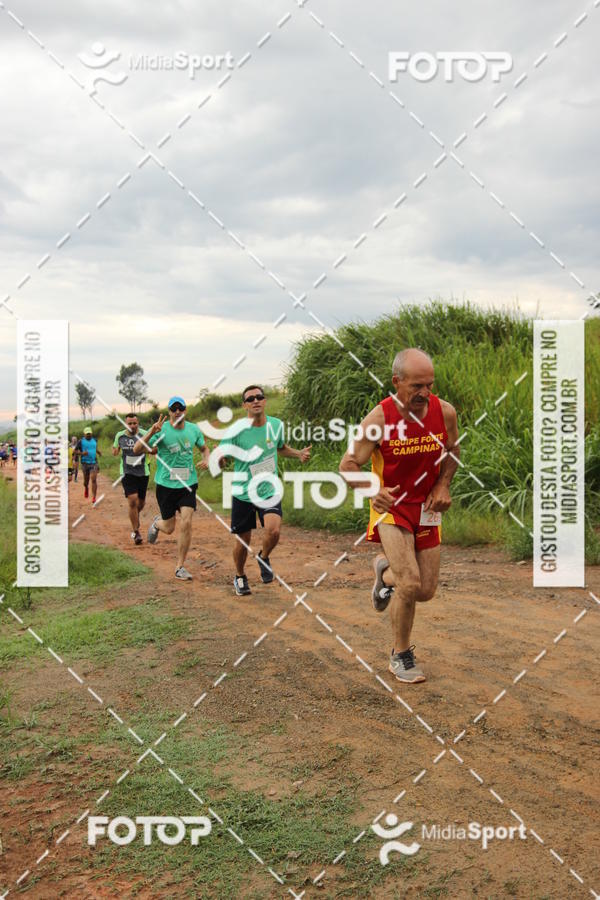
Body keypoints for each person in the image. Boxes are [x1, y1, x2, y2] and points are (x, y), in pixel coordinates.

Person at [340, 348, 459, 684]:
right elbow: (347, 466)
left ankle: (383, 572)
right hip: (391, 506)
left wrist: (443, 485)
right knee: (409, 582)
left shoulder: (444, 412)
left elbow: (453, 451)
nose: (425, 393)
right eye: (417, 386)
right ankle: (400, 655)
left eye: (429, 385)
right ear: (397, 381)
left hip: (426, 506)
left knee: (426, 590)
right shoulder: (379, 419)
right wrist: (369, 489)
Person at [219, 385, 311, 597]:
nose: (255, 401)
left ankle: (263, 556)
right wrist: (221, 460)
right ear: (244, 405)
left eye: (259, 397)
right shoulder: (236, 431)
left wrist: (297, 454)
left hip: (268, 489)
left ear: (265, 401)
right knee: (243, 540)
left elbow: (279, 447)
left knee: (274, 530)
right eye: (250, 399)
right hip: (243, 492)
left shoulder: (276, 425)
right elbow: (222, 457)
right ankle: (240, 576)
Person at [133, 396, 209, 580]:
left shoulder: (193, 429)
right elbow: (137, 450)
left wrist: (206, 458)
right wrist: (151, 432)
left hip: (187, 483)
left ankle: (180, 567)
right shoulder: (162, 431)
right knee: (169, 528)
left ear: (185, 410)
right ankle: (157, 523)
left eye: (180, 408)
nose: (177, 411)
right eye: (173, 409)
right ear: (169, 412)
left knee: (187, 521)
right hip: (166, 485)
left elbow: (204, 448)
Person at [112, 413, 151, 544]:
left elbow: (154, 448)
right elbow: (115, 450)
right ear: (125, 424)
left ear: (138, 423)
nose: (132, 426)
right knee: (132, 501)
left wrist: (146, 450)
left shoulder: (145, 434)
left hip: (143, 471)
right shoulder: (119, 435)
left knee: (141, 503)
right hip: (127, 471)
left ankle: (134, 516)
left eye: (135, 423)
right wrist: (115, 450)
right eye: (130, 423)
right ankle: (136, 532)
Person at [77, 426, 101, 502]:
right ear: (84, 434)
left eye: (89, 433)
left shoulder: (95, 440)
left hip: (94, 463)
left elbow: (94, 448)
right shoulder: (81, 441)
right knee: (86, 481)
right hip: (84, 463)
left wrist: (98, 452)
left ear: (91, 433)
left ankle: (94, 497)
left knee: (94, 479)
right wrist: (82, 453)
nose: (88, 435)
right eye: (87, 434)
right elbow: (75, 452)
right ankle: (86, 488)